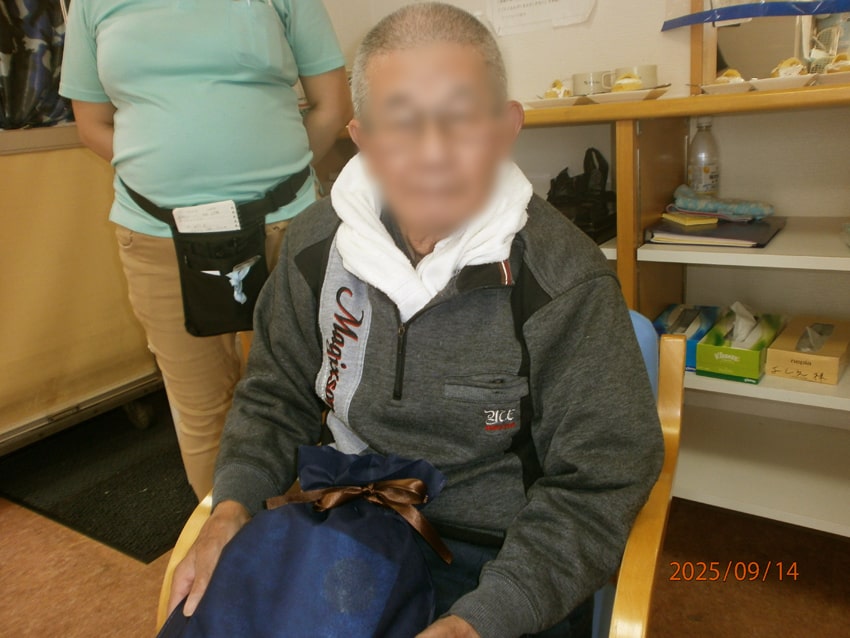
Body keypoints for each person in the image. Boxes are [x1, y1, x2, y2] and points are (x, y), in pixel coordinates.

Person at [169, 3, 663, 637]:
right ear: (362, 137)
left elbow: (600, 482)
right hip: (345, 522)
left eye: (460, 117)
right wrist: (231, 506)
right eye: (401, 122)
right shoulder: (314, 246)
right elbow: (274, 397)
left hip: (499, 561)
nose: (433, 153)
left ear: (506, 127)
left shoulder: (565, 280)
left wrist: (479, 621)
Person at [59, 0, 352, 498]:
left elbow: (333, 106)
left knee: (311, 392)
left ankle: (306, 535)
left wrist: (272, 181)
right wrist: (164, 173)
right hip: (158, 234)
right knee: (201, 409)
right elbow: (92, 123)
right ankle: (227, 536)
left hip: (285, 226)